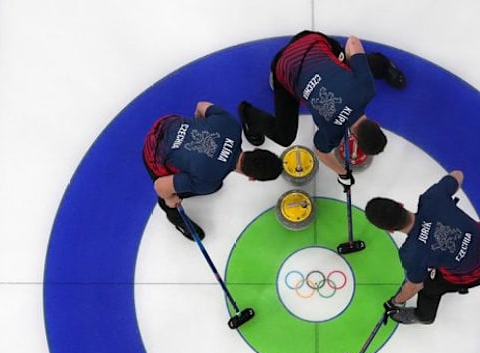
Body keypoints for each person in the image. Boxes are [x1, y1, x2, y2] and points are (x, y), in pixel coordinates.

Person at [237, 30, 406, 189]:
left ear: (376, 124)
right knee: (284, 136)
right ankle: (247, 113)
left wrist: (346, 66)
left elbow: (353, 42)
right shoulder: (332, 133)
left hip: (309, 40)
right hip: (283, 66)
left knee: (361, 69)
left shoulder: (367, 89)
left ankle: (377, 63)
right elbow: (321, 152)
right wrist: (343, 174)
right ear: (353, 137)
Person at [364, 170, 480, 324]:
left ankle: (424, 316)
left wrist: (395, 301)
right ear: (400, 204)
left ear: (389, 230)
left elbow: (414, 287)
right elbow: (458, 175)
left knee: (429, 288)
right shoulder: (432, 198)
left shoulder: (411, 255)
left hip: (476, 273)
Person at [143, 101, 282, 241]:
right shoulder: (208, 182)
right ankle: (176, 218)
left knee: (204, 182)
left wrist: (199, 126)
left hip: (167, 123)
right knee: (172, 195)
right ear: (252, 178)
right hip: (153, 150)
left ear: (256, 150)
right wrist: (169, 199)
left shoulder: (232, 124)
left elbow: (200, 105)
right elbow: (159, 186)